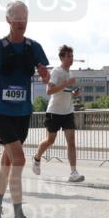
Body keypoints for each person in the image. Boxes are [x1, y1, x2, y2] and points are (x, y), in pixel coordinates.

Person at [0, 1, 50, 218]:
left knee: (8, 162)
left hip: (23, 113)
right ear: (8, 20)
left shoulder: (34, 47)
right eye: (17, 19)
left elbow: (45, 74)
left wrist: (45, 74)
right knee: (19, 159)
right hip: (0, 111)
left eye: (24, 19)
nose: (21, 23)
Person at [33, 45, 84, 182]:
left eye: (72, 56)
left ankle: (73, 172)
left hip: (68, 111)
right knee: (50, 140)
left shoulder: (70, 74)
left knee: (71, 142)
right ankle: (37, 158)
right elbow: (49, 91)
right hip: (54, 111)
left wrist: (74, 92)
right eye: (68, 56)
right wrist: (67, 83)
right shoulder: (56, 71)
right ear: (62, 58)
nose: (71, 59)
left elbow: (65, 91)